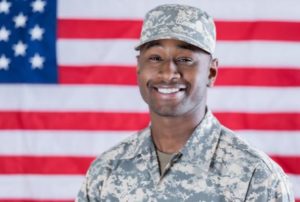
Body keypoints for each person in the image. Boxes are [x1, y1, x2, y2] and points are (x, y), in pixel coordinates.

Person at [76, 4, 294, 201]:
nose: (168, 73)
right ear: (138, 68)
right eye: (155, 57)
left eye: (185, 59)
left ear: (211, 71)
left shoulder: (257, 176)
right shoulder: (106, 171)